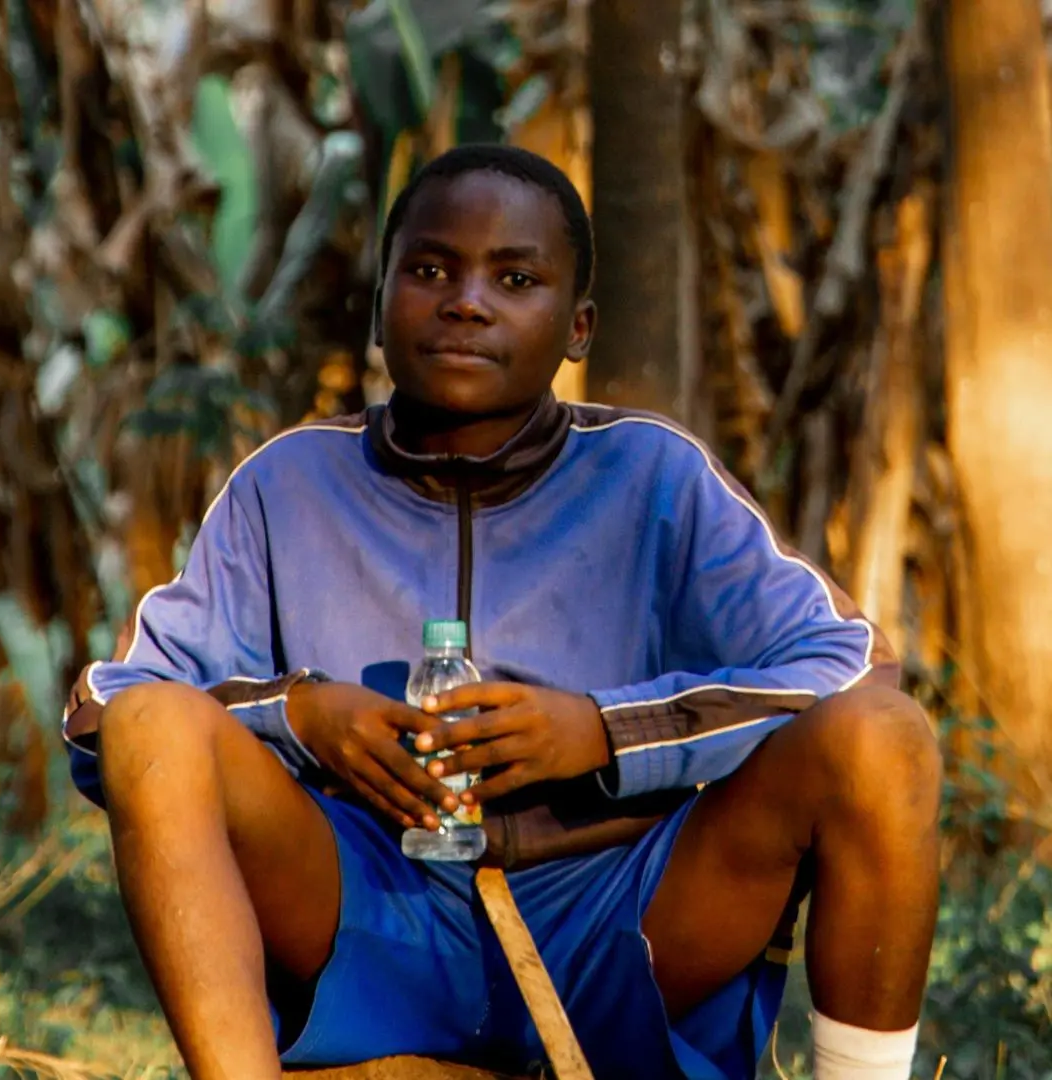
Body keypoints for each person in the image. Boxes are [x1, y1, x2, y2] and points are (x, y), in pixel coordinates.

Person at [62, 144, 942, 1080]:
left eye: (515, 277)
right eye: (432, 269)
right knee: (160, 724)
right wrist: (303, 714)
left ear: (578, 325)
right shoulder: (288, 483)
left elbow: (849, 660)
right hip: (366, 908)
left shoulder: (653, 475)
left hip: (623, 915)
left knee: (882, 736)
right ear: (379, 304)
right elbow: (107, 711)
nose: (467, 301)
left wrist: (604, 733)